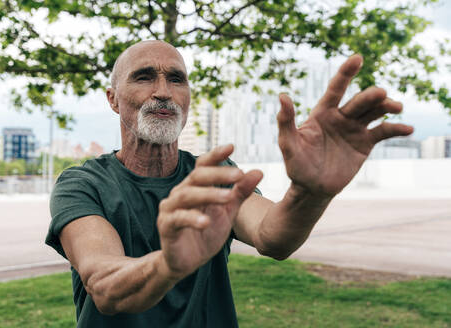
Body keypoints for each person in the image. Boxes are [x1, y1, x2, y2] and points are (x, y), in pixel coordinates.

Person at [45, 40, 413, 327]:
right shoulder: (82, 184)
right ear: (113, 99)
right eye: (144, 77)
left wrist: (311, 192)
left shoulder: (215, 175)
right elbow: (105, 285)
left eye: (177, 78)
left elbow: (274, 237)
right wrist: (169, 264)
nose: (163, 91)